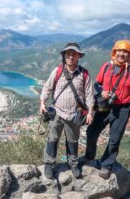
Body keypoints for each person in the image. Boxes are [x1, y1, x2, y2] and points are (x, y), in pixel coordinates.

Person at [80, 40, 130, 179]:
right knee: (91, 132)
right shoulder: (107, 66)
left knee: (114, 139)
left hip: (123, 109)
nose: (122, 54)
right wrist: (102, 91)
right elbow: (97, 84)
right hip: (105, 106)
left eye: (125, 51)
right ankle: (89, 156)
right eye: (119, 50)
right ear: (114, 52)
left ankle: (106, 165)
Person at [40, 42, 94, 179]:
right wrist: (42, 102)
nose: (71, 56)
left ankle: (73, 164)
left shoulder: (84, 74)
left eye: (74, 54)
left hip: (75, 114)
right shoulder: (57, 71)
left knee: (73, 140)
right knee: (52, 139)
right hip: (57, 112)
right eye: (68, 54)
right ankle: (48, 163)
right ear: (64, 55)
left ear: (78, 57)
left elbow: (89, 94)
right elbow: (47, 87)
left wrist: (90, 112)